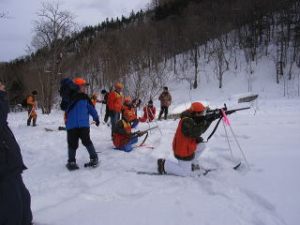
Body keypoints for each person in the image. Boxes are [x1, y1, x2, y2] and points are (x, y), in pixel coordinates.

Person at [157, 102, 221, 176]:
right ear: (196, 113)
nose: (203, 114)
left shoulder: (191, 117)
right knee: (185, 173)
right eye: (202, 112)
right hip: (182, 150)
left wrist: (210, 119)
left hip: (187, 145)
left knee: (201, 146)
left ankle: (192, 163)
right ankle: (164, 164)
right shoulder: (186, 121)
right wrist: (207, 121)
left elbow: (199, 126)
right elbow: (195, 132)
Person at [0, 81, 33, 224]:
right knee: (11, 204)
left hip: (10, 162)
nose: (3, 87)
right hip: (4, 165)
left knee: (23, 198)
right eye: (1, 86)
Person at [65, 78, 100, 170]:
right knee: (72, 144)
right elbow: (64, 107)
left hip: (84, 125)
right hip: (72, 125)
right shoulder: (69, 97)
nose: (85, 88)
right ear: (76, 86)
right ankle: (71, 161)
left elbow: (91, 109)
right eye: (83, 86)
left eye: (85, 86)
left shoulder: (85, 98)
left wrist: (96, 117)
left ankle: (94, 158)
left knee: (86, 141)